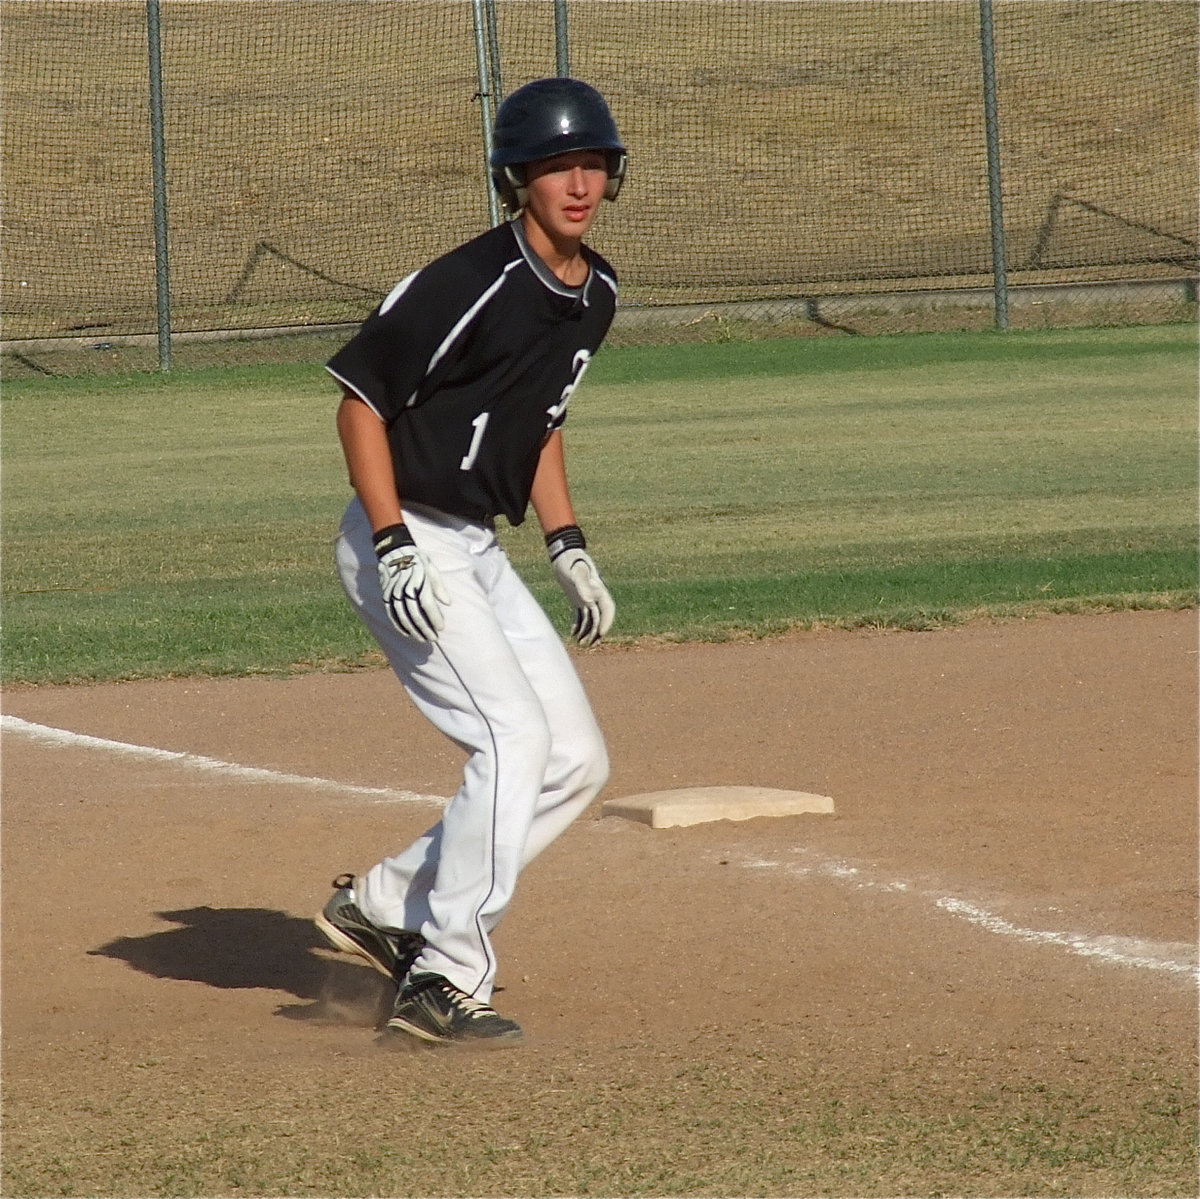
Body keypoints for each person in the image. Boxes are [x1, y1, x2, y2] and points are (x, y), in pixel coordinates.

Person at [313, 78, 627, 1047]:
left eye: (590, 164)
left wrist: (567, 542)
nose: (575, 183)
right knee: (510, 742)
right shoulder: (469, 280)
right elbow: (359, 401)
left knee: (575, 759)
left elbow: (540, 423)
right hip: (401, 537)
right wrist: (394, 539)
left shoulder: (596, 293)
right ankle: (444, 972)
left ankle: (385, 903)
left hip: (476, 545)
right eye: (551, 167)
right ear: (515, 180)